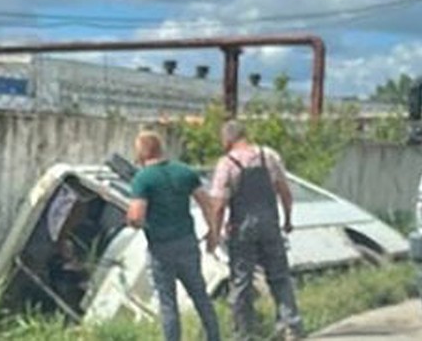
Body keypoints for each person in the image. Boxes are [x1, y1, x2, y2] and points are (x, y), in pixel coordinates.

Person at [208, 120, 304, 340]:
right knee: (279, 276)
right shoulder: (268, 156)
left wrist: (215, 231)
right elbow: (285, 192)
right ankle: (291, 327)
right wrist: (287, 220)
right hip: (270, 223)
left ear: (228, 139)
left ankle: (244, 333)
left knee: (241, 281)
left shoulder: (226, 164)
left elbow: (219, 204)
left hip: (242, 228)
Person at [127, 131, 222, 341]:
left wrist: (133, 220)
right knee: (200, 294)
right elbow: (208, 203)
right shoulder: (185, 172)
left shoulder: (142, 179)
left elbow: (136, 216)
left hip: (161, 248)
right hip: (187, 243)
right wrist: (213, 233)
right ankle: (214, 337)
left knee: (168, 302)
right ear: (160, 148)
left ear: (141, 154)